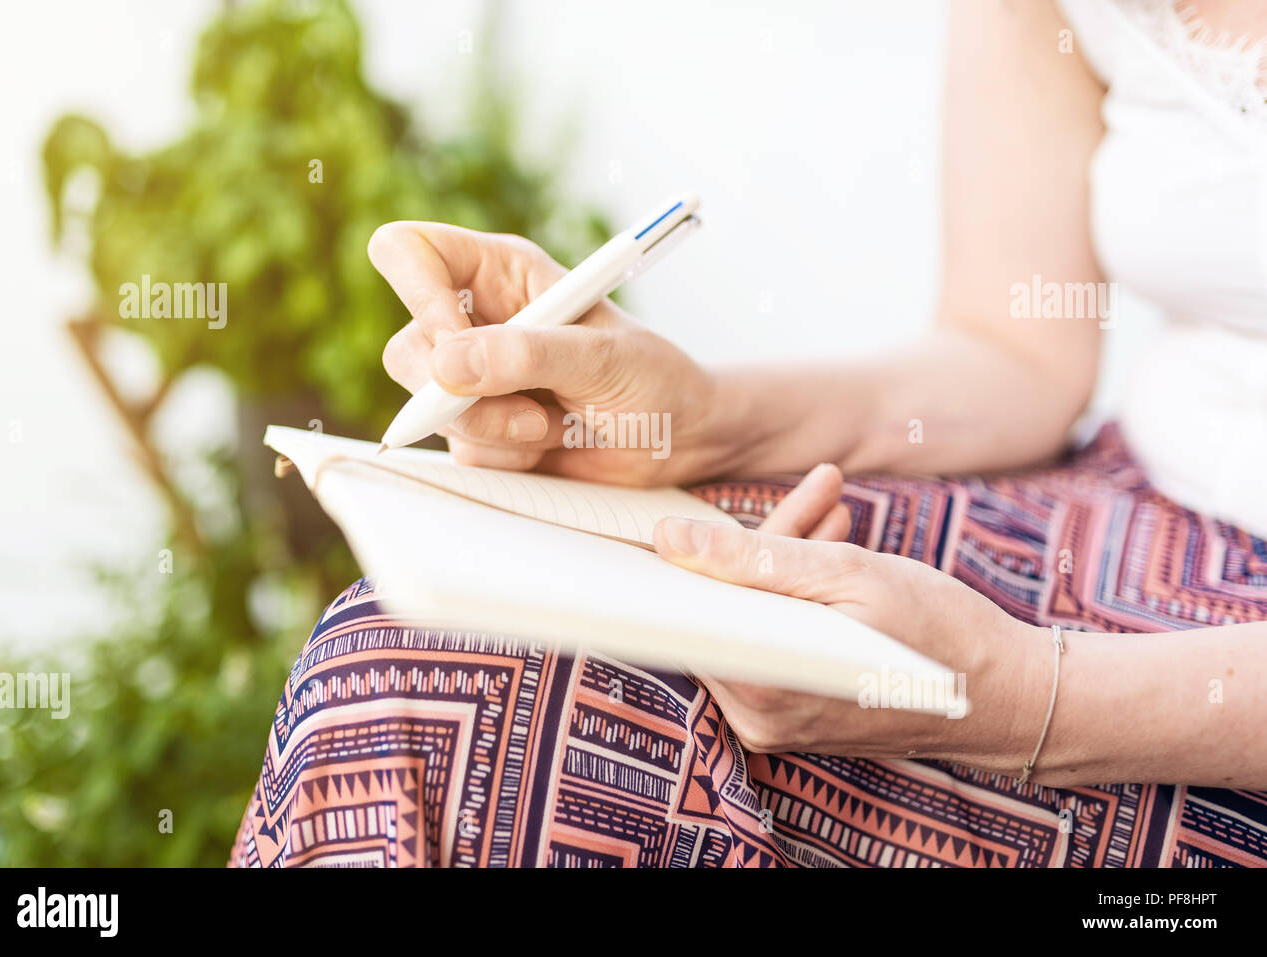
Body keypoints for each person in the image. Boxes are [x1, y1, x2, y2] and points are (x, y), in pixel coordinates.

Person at [231, 0, 1267, 867]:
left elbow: (1018, 694)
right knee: (410, 669)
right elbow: (1017, 355)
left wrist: (1025, 700)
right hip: (1138, 499)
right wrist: (700, 425)